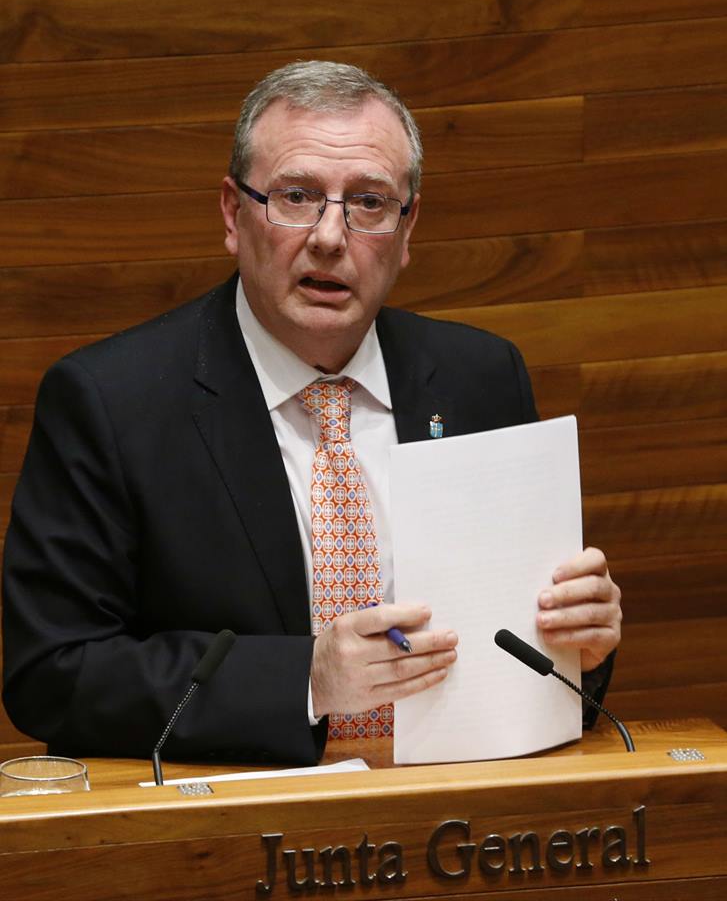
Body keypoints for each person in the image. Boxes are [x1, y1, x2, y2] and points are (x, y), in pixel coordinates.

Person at [1, 61, 621, 763]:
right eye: (296, 197)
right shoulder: (110, 401)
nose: (330, 237)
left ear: (407, 229)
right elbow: (53, 674)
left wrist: (581, 646)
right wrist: (305, 680)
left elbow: (527, 658)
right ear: (234, 215)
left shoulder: (481, 380)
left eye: (368, 203)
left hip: (457, 824)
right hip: (230, 834)